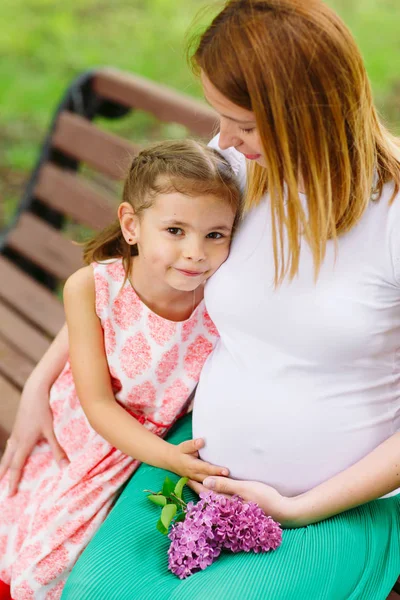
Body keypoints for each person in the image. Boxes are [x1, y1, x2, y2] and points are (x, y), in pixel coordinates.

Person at [59, 1, 399, 598]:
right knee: (90, 590)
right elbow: (130, 274)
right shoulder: (239, 175)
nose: (224, 139)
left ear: (307, 112)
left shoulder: (392, 212)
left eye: (241, 121)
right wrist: (43, 384)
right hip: (196, 472)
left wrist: (300, 508)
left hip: (337, 506)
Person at [0, 139, 242, 599]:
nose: (195, 252)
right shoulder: (94, 287)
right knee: (35, 562)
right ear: (131, 224)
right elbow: (95, 404)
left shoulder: (223, 298)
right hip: (89, 438)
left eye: (215, 235)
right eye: (174, 230)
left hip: (161, 443)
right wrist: (170, 458)